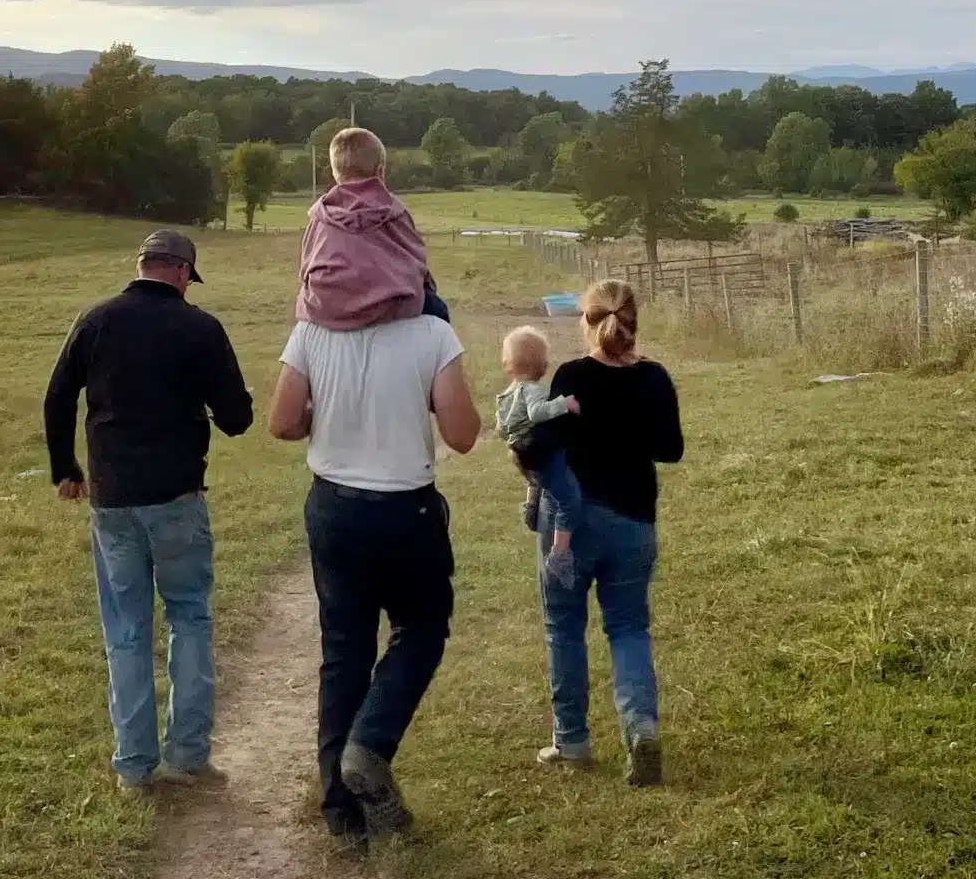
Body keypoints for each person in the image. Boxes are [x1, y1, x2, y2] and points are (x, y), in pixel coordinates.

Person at [43, 228, 253, 792]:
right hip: (178, 496)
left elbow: (58, 395)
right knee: (189, 617)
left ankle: (134, 767)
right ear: (184, 273)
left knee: (127, 628)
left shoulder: (96, 319)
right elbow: (237, 418)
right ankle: (189, 757)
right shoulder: (200, 328)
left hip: (111, 500)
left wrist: (66, 468)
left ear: (140, 265)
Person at [268, 293, 482, 840]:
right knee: (422, 628)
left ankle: (342, 814)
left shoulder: (312, 328)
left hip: (334, 506)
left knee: (344, 652)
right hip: (405, 509)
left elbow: (283, 422)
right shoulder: (432, 332)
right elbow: (462, 435)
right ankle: (370, 744)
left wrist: (328, 413)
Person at [519, 277, 682, 787]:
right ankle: (641, 728)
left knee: (564, 626)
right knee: (629, 627)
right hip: (634, 520)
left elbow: (536, 447)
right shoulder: (655, 379)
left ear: (585, 322)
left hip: (571, 521)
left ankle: (572, 739)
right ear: (635, 321)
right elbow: (670, 449)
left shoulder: (571, 376)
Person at [296, 125, 451, 327]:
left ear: (335, 173)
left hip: (326, 305)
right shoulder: (394, 209)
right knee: (439, 310)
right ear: (380, 171)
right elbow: (417, 258)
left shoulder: (319, 214)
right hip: (391, 304)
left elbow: (306, 267)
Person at [495, 325, 585, 582]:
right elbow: (536, 413)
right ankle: (560, 552)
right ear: (542, 365)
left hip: (520, 452)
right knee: (569, 500)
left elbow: (501, 428)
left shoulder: (507, 394)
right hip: (538, 450)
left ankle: (532, 504)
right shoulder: (532, 389)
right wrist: (563, 404)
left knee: (536, 478)